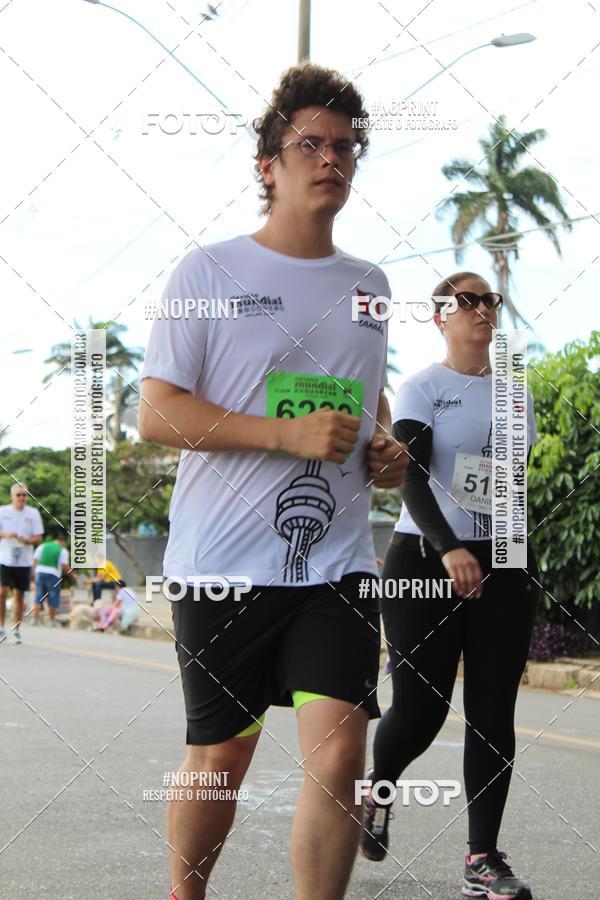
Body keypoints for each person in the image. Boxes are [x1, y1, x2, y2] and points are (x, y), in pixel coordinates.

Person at [139, 62, 409, 900]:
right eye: (311, 145)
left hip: (336, 565)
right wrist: (283, 434)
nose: (332, 158)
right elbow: (158, 413)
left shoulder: (371, 287)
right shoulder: (207, 272)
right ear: (269, 165)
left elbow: (368, 396)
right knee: (221, 757)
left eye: (345, 147)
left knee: (341, 749)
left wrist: (386, 446)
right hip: (223, 565)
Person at [361, 273, 539, 900]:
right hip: (422, 560)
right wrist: (449, 548)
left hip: (503, 563)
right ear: (439, 316)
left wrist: (516, 559)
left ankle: (482, 858)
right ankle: (378, 786)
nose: (482, 308)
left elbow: (510, 482)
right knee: (422, 710)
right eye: (467, 300)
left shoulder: (516, 391)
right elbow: (410, 477)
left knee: (493, 712)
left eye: (490, 299)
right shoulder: (423, 386)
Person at [0, 483, 43, 644]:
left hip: (24, 560)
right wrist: (7, 534)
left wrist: (27, 540)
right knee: (2, 592)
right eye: (18, 494)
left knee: (19, 596)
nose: (22, 497)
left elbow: (38, 537)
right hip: (5, 558)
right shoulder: (3, 511)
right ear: (12, 496)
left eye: (24, 495)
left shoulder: (33, 513)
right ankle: (1, 627)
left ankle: (16, 630)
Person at [32, 531, 70, 627]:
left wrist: (32, 574)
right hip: (53, 575)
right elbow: (64, 565)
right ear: (63, 541)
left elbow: (34, 560)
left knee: (39, 596)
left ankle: (35, 619)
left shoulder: (43, 546)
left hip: (39, 572)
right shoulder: (62, 550)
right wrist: (72, 575)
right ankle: (51, 621)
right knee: (53, 597)